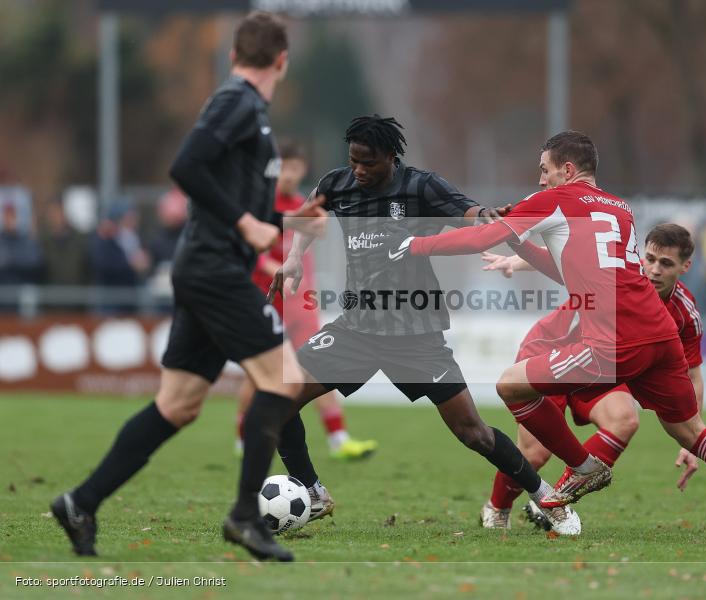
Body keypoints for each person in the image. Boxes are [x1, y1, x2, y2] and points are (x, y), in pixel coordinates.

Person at [387, 130, 706, 541]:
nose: (540, 179)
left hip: (614, 337)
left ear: (567, 170)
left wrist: (417, 247)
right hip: (659, 334)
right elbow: (574, 273)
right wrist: (521, 243)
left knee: (510, 386)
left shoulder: (554, 199)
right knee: (693, 432)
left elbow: (481, 234)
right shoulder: (619, 208)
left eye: (545, 170)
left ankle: (583, 467)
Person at [51, 12, 326, 562]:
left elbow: (224, 186)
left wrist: (282, 217)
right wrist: (247, 225)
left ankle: (80, 503)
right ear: (282, 60)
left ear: (232, 56)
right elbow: (187, 165)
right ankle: (246, 517)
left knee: (177, 405)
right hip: (216, 271)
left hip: (203, 270)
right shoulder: (238, 102)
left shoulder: (248, 110)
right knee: (284, 380)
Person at [268, 115, 580, 534]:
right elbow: (307, 217)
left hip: (415, 336)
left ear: (391, 158)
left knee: (474, 434)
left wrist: (493, 218)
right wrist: (292, 258)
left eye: (369, 163)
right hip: (356, 329)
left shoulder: (420, 186)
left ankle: (546, 496)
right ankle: (313, 491)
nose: (359, 170)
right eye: (354, 160)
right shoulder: (337, 183)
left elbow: (471, 214)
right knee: (278, 400)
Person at [477, 224, 705, 529]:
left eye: (665, 263)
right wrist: (518, 260)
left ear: (684, 267)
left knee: (625, 419)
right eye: (650, 260)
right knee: (535, 453)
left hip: (600, 367)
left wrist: (693, 439)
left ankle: (554, 501)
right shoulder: (620, 271)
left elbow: (692, 374)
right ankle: (496, 509)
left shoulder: (683, 311)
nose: (654, 270)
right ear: (639, 257)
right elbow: (568, 259)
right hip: (552, 350)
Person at [235, 139, 378, 461]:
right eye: (284, 167)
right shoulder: (261, 205)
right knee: (261, 373)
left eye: (296, 168)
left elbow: (322, 230)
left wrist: (315, 222)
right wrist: (270, 264)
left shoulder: (304, 202)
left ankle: (339, 437)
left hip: (301, 302)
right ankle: (244, 435)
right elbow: (243, 249)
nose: (289, 174)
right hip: (266, 299)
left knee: (319, 364)